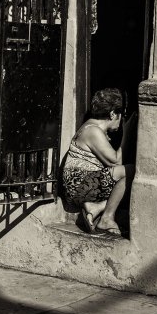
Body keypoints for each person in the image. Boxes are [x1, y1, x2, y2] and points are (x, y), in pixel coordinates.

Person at [61, 88, 135, 236]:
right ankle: (106, 218)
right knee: (132, 170)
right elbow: (115, 162)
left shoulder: (92, 128)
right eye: (121, 116)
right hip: (79, 188)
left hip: (79, 188)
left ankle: (97, 208)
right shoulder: (92, 131)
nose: (121, 121)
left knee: (127, 175)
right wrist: (127, 132)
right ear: (113, 114)